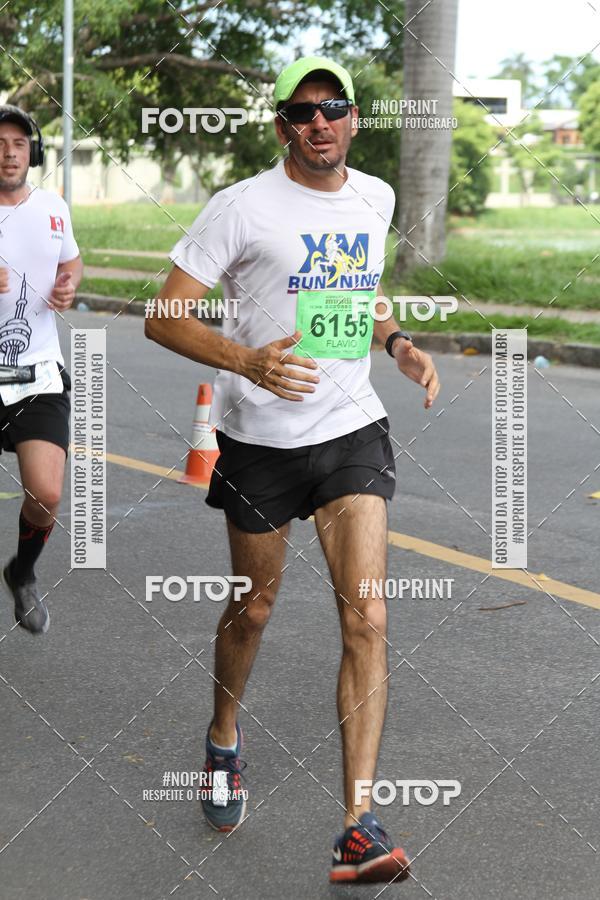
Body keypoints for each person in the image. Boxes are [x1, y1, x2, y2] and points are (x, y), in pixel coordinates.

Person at [145, 55, 440, 884]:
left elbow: (363, 288)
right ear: (282, 125)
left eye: (333, 108)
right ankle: (224, 738)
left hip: (352, 429)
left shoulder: (374, 198)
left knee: (368, 619)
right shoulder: (240, 207)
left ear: (353, 121)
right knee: (253, 607)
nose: (319, 122)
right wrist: (245, 361)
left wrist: (397, 343)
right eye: (302, 111)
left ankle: (359, 824)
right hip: (260, 443)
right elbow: (162, 316)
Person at [0, 105, 83, 634]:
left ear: (34, 152)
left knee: (47, 494)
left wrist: (69, 283)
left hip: (37, 373)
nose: (9, 152)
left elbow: (71, 260)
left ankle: (21, 572)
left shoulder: (54, 207)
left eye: (18, 143)